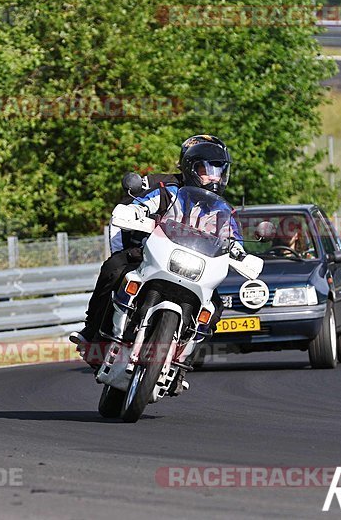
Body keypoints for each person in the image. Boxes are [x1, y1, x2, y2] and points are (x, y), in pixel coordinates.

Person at [70, 135, 243, 378]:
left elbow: (234, 238)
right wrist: (135, 216)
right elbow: (137, 207)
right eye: (207, 170)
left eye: (219, 171)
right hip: (153, 256)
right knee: (114, 268)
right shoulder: (166, 189)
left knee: (215, 306)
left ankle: (182, 360)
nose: (213, 176)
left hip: (194, 268)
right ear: (190, 167)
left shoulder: (222, 209)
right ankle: (91, 330)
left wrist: (240, 251)